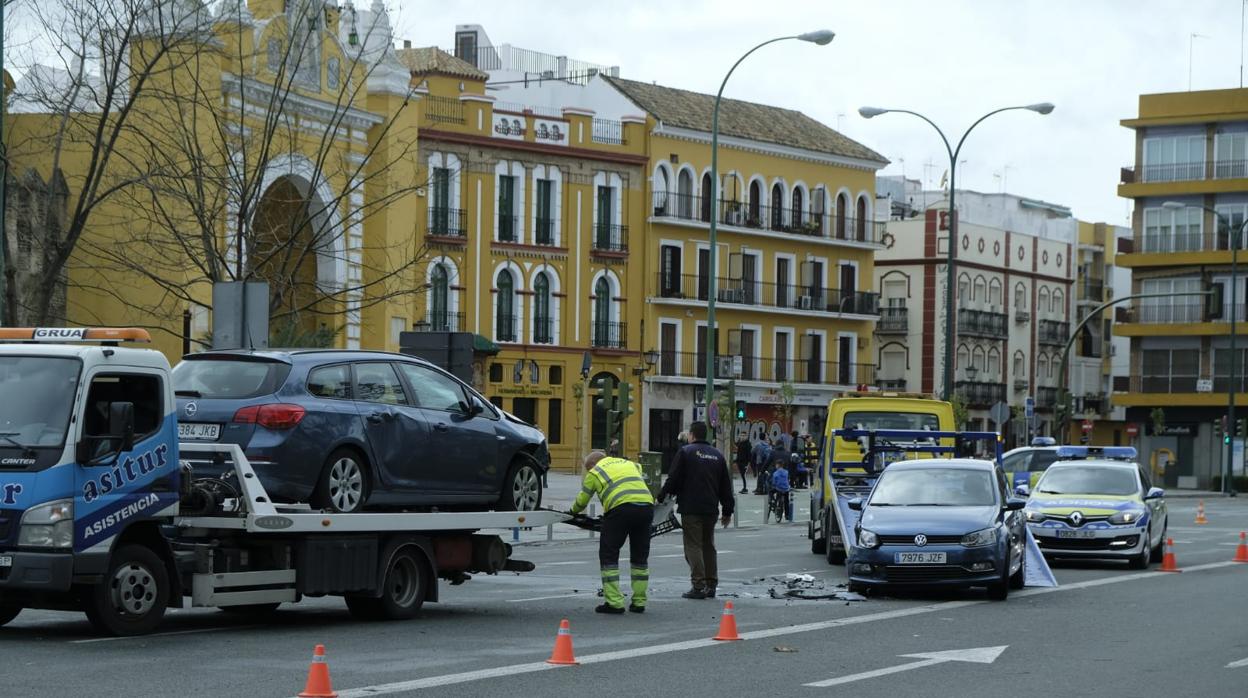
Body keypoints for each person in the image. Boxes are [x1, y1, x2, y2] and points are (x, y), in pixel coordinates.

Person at [570, 450, 656, 614]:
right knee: (640, 557)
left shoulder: (595, 472)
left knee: (609, 554)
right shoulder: (631, 464)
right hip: (646, 507)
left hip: (620, 509)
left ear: (592, 465)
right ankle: (639, 602)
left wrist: (571, 511)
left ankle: (614, 602)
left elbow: (582, 501)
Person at [659, 421, 734, 600]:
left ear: (692, 435)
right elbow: (726, 486)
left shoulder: (686, 452)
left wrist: (661, 496)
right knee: (708, 545)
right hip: (711, 509)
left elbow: (673, 478)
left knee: (693, 545)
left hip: (691, 508)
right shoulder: (718, 455)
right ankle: (711, 584)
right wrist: (727, 511)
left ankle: (698, 585)